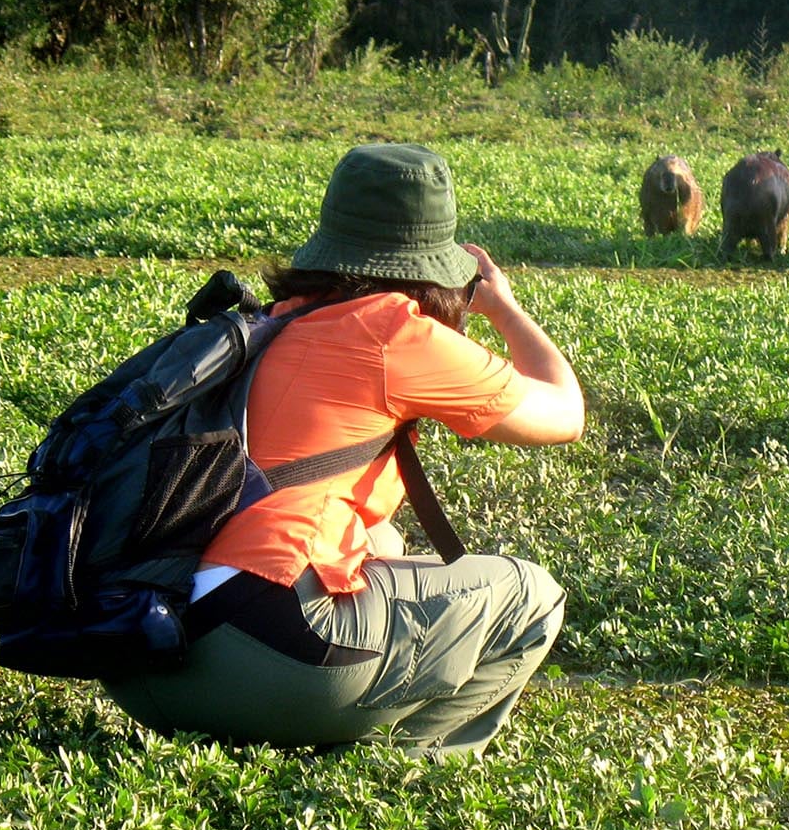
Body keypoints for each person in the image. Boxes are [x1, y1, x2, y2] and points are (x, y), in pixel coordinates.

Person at [104, 143, 584, 757]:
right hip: (259, 661)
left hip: (146, 662)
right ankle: (411, 763)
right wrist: (504, 308)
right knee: (530, 594)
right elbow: (565, 414)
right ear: (436, 264)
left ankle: (304, 718)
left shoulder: (272, 321)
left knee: (380, 543)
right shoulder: (393, 331)